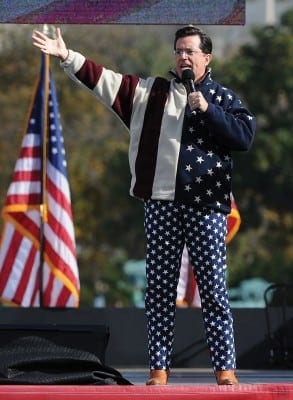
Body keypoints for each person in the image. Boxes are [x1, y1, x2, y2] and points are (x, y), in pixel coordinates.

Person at [32, 25, 256, 386]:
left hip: (208, 207)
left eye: (191, 51)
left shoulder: (223, 97)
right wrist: (67, 56)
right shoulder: (150, 93)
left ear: (206, 58)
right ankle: (158, 369)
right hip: (160, 204)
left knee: (214, 290)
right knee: (159, 290)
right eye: (179, 50)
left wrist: (208, 109)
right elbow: (104, 81)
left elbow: (244, 136)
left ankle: (225, 370)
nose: (183, 57)